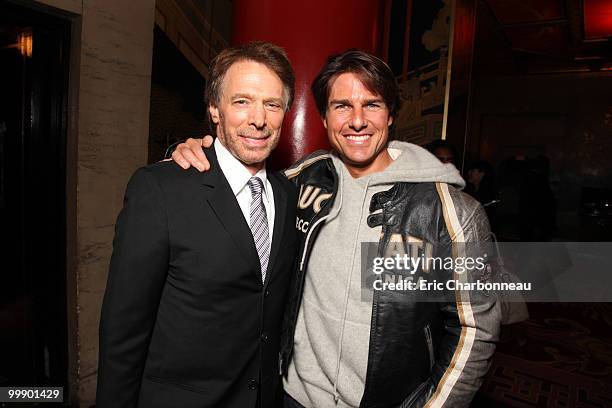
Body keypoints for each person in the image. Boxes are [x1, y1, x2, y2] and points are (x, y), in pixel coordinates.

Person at [172, 49, 499, 407]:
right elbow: (236, 186)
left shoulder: (452, 212)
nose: (357, 121)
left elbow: (475, 331)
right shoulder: (300, 183)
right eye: (342, 106)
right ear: (325, 119)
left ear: (391, 115)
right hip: (292, 397)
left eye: (372, 105)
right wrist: (197, 153)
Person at [97, 41, 298, 408]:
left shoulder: (287, 194)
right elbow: (123, 332)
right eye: (242, 101)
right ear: (214, 109)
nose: (258, 118)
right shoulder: (160, 189)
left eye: (272, 104)